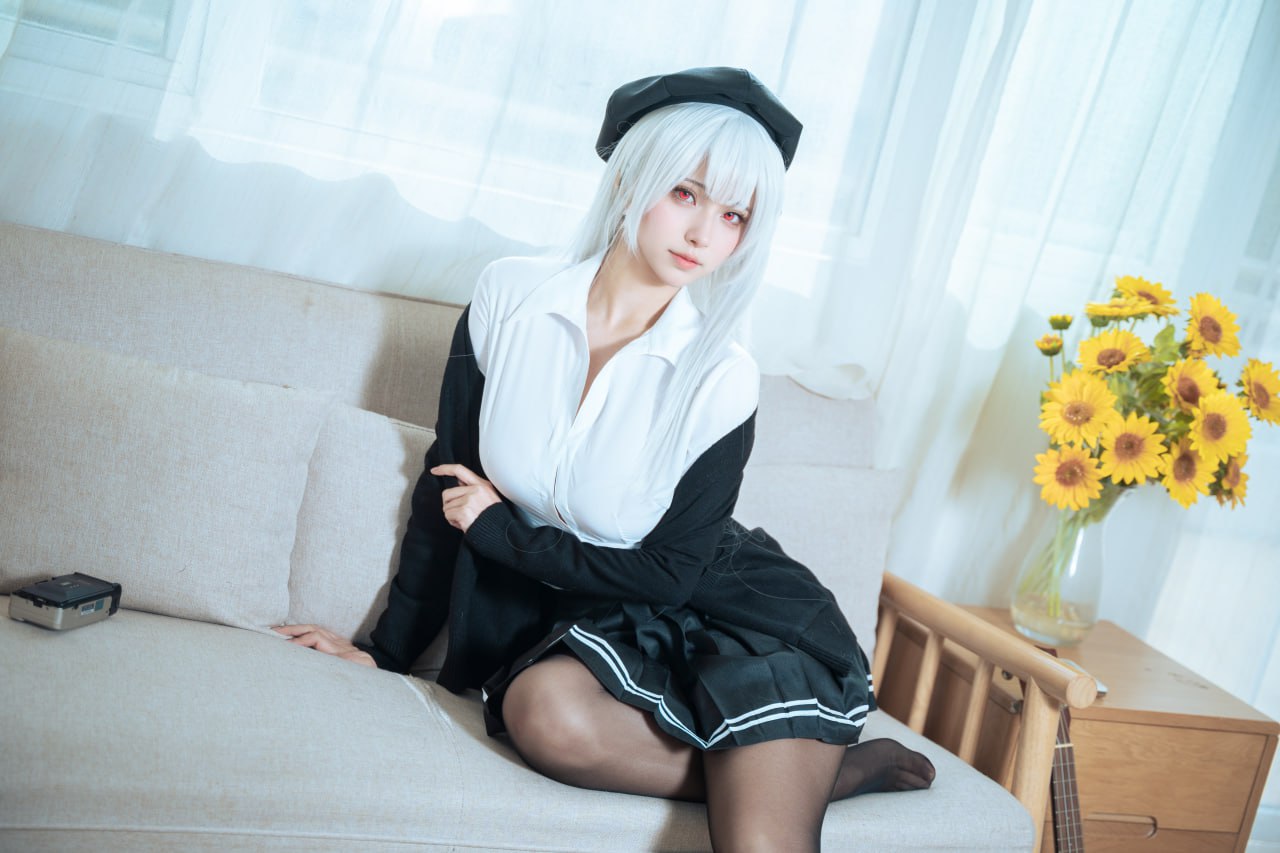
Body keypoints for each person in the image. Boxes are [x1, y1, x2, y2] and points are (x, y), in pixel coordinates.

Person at [276, 67, 934, 852]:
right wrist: (385, 653)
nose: (703, 234)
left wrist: (501, 531)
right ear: (629, 178)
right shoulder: (509, 299)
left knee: (760, 841)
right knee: (543, 717)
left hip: (719, 607)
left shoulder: (724, 376)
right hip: (590, 618)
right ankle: (834, 773)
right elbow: (445, 491)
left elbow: (669, 575)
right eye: (685, 194)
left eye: (733, 215)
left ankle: (793, 768)